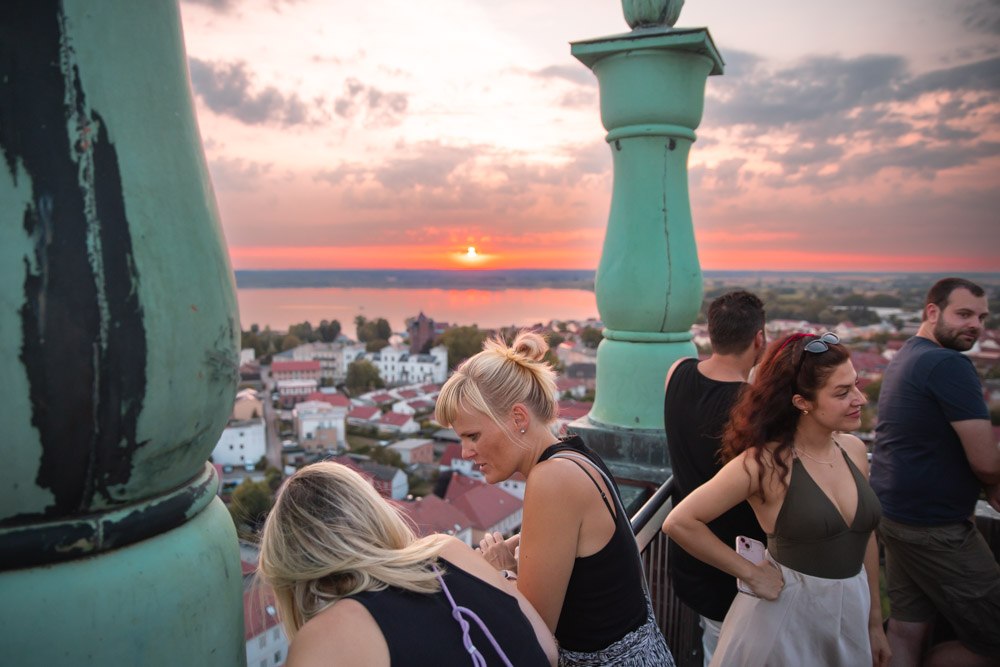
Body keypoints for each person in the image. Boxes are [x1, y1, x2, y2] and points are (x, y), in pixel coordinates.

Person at [435, 331, 674, 666]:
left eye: (472, 435)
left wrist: (497, 573)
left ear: (518, 418)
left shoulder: (551, 480)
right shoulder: (575, 454)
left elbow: (533, 635)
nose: (465, 452)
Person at [663, 332, 891, 666]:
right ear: (802, 402)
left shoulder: (854, 451)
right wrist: (750, 574)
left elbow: (864, 537)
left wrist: (874, 622)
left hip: (850, 612)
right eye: (842, 392)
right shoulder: (764, 463)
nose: (860, 399)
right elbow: (680, 522)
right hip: (784, 622)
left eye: (856, 385)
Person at [256, 461, 558, 667]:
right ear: (374, 514)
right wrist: (501, 577)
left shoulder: (324, 640)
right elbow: (548, 650)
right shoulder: (449, 551)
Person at [870, 277, 1000, 666]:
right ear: (932, 312)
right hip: (935, 526)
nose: (975, 325)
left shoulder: (908, 355)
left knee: (908, 629)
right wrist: (992, 479)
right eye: (963, 314)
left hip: (894, 514)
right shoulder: (948, 364)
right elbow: (986, 460)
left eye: (982, 317)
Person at [663, 290, 767, 665]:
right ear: (759, 339)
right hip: (734, 561)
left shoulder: (677, 373)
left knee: (714, 644)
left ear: (710, 333)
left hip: (692, 554)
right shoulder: (754, 407)